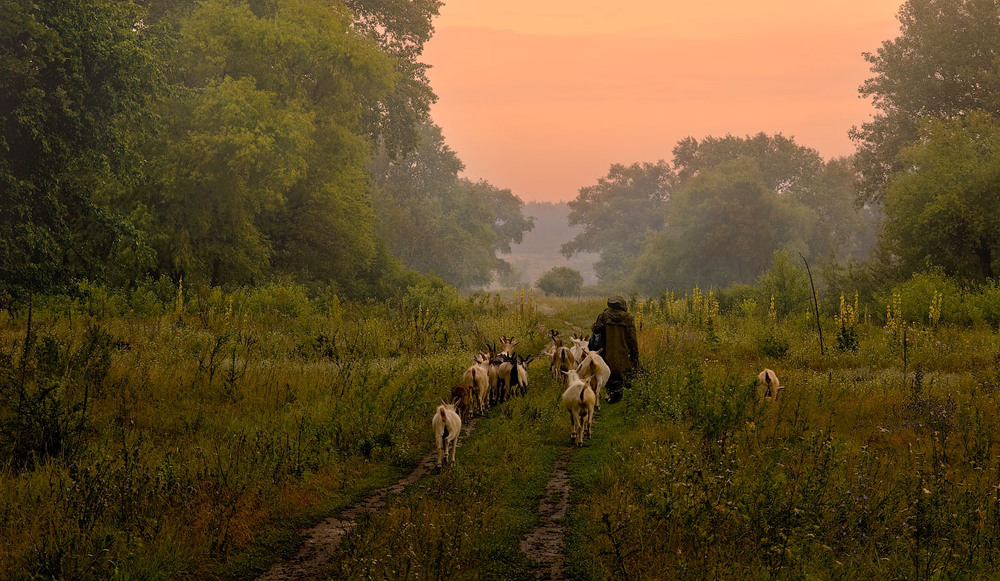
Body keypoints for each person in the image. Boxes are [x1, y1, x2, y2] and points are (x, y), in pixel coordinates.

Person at [591, 295, 639, 403]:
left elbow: (595, 330)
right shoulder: (629, 317)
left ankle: (610, 393)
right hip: (623, 351)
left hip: (607, 351)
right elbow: (632, 338)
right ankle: (618, 394)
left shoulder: (604, 315)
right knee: (621, 372)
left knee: (608, 372)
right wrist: (635, 355)